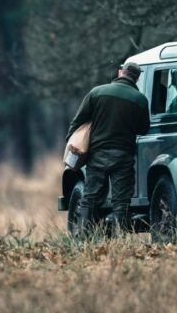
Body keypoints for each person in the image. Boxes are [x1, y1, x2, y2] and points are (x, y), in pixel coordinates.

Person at [66, 62, 150, 236]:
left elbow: (78, 120)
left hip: (97, 154)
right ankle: (121, 239)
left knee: (90, 197)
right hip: (123, 157)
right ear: (137, 77)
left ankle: (82, 237)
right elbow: (144, 129)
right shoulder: (140, 99)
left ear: (121, 72)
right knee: (121, 200)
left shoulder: (97, 92)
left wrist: (71, 143)